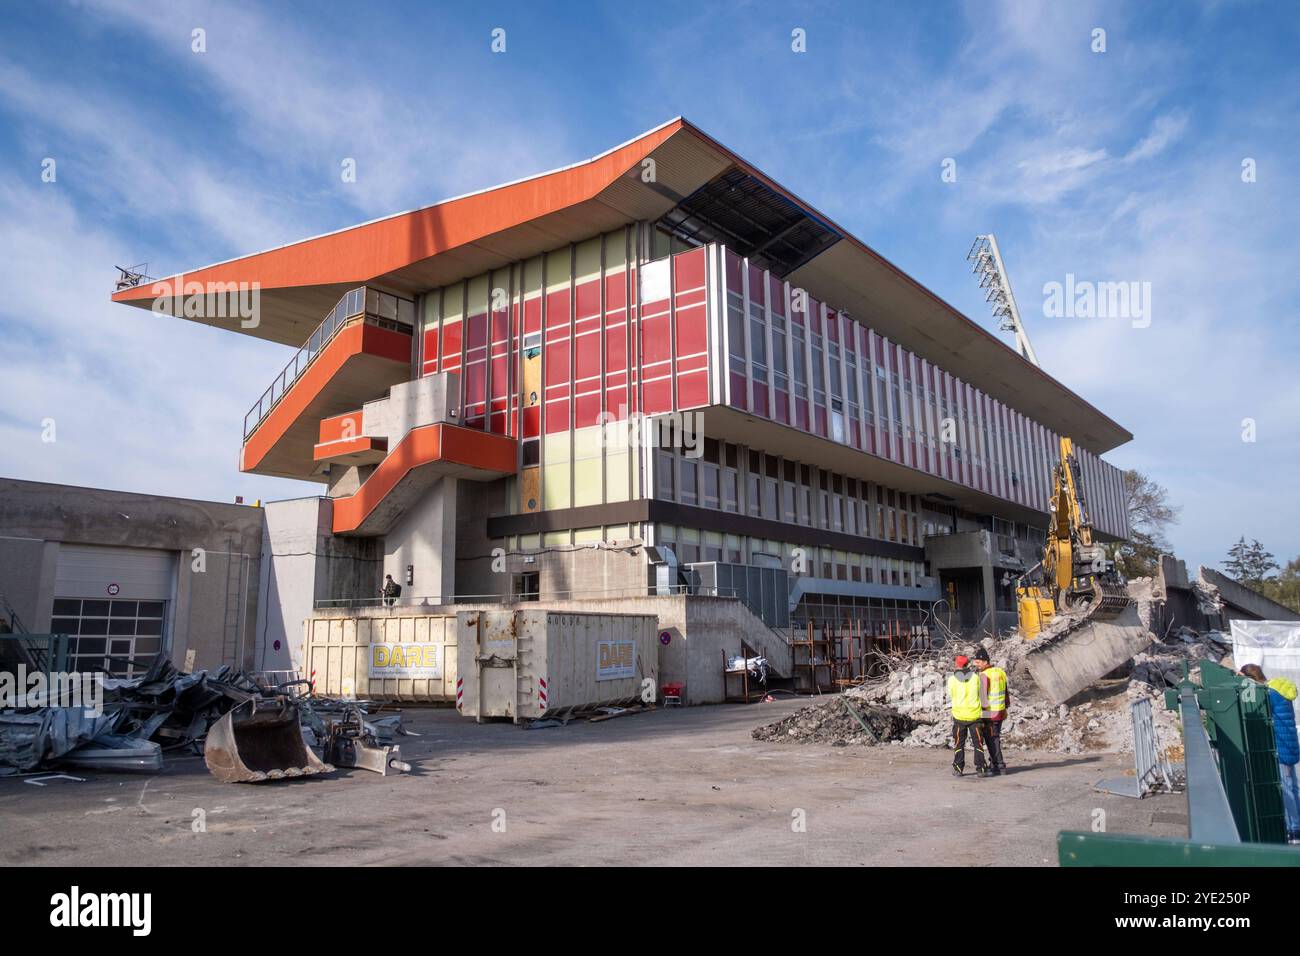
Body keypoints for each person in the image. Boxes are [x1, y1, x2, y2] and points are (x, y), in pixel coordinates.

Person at [1239, 663, 1300, 842]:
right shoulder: (1278, 690)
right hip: (1289, 745)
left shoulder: (1268, 695)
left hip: (1280, 748)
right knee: (1293, 787)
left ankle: (1294, 829)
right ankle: (1296, 825)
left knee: (1286, 789)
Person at [947, 654, 987, 777]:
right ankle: (981, 769)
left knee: (959, 743)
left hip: (959, 716)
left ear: (957, 665)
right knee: (978, 743)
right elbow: (982, 695)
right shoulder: (976, 678)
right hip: (975, 715)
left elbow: (951, 695)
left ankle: (958, 768)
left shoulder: (952, 680)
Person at [973, 646, 1009, 775]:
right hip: (1000, 710)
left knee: (992, 739)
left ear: (984, 662)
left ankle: (999, 765)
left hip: (989, 713)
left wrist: (979, 714)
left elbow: (983, 699)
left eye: (978, 662)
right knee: (995, 737)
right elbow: (1006, 693)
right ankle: (995, 764)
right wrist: (1005, 708)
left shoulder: (984, 675)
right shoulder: (1000, 672)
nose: (976, 665)